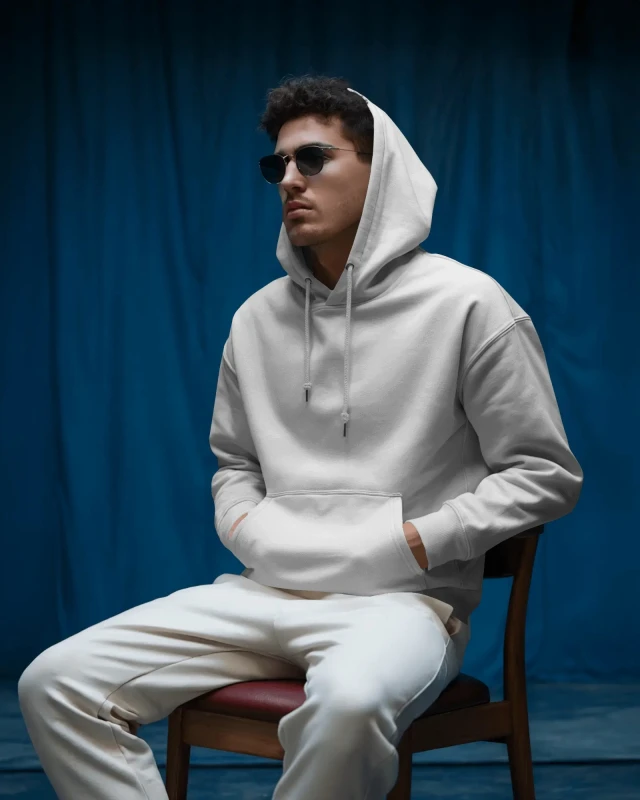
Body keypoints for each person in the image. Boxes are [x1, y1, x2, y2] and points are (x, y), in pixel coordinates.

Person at [17, 75, 583, 800]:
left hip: (400, 605)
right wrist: (245, 526)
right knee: (56, 682)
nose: (288, 180)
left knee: (350, 703)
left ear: (380, 172)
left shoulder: (469, 304)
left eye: (312, 159)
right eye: (277, 164)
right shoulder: (256, 319)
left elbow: (544, 473)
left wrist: (418, 542)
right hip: (261, 594)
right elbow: (234, 460)